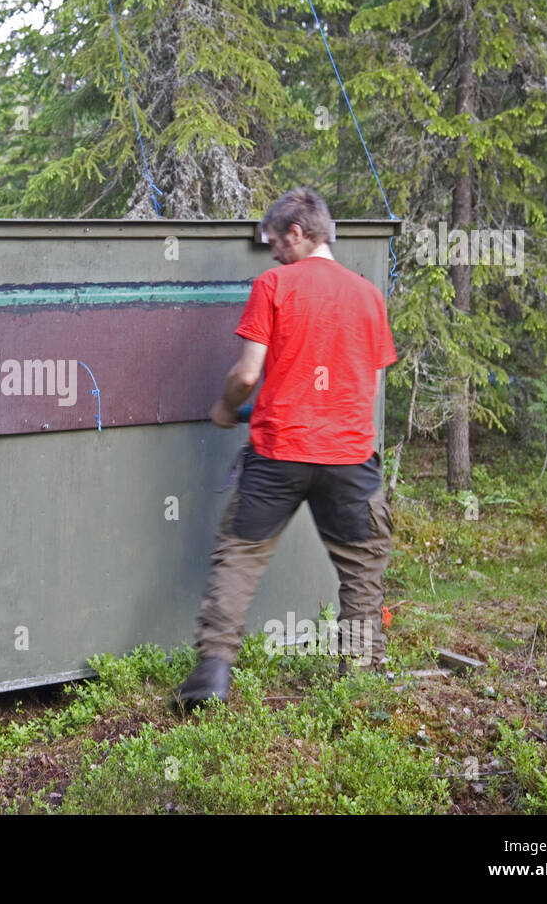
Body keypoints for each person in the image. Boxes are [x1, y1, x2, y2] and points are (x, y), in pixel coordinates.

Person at [173, 187, 397, 711]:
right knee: (362, 572)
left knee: (240, 559)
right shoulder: (368, 295)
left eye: (274, 240)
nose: (271, 252)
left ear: (298, 233)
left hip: (278, 454)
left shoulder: (273, 284)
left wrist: (226, 409)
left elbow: (247, 373)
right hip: (350, 458)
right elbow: (370, 382)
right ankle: (359, 687)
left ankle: (211, 676)